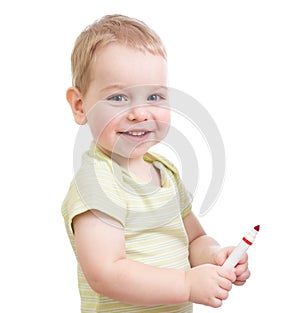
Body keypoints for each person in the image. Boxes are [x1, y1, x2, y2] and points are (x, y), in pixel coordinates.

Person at [62, 14, 250, 313]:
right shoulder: (96, 183)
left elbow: (194, 240)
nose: (139, 113)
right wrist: (187, 284)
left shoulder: (165, 172)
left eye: (153, 96)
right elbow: (105, 273)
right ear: (80, 106)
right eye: (119, 97)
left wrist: (214, 257)